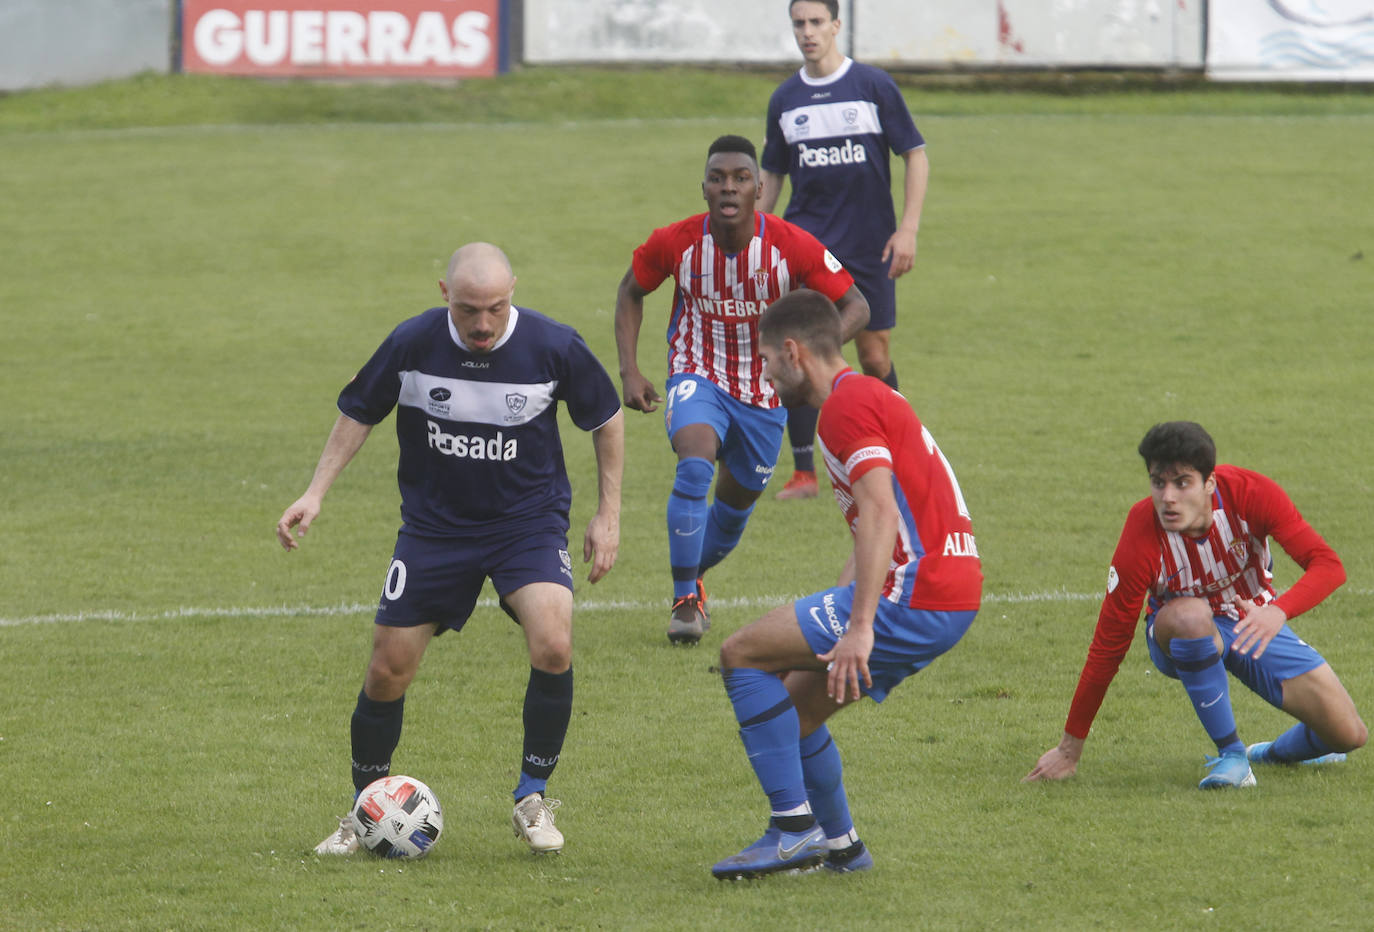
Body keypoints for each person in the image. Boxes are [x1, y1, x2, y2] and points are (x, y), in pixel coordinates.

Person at [276, 242, 624, 855]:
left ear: (514, 288)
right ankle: (365, 814)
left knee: (554, 641)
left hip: (528, 525)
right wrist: (315, 491)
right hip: (435, 530)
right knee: (388, 669)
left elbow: (605, 418)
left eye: (495, 307)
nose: (483, 323)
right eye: (468, 310)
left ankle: (532, 798)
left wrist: (608, 515)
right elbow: (359, 411)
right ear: (445, 295)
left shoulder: (553, 346)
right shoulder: (412, 344)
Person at [710, 289, 981, 879]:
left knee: (740, 656)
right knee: (795, 708)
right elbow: (877, 524)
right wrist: (841, 606)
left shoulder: (843, 407)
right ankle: (844, 849)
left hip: (915, 593)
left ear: (792, 351)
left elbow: (881, 512)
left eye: (765, 359)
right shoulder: (868, 394)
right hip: (947, 590)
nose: (764, 372)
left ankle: (792, 829)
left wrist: (859, 626)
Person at [614, 134, 870, 646]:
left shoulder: (791, 245)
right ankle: (686, 601)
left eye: (740, 178)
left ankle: (692, 578)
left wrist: (811, 353)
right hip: (697, 371)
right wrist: (630, 371)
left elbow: (857, 306)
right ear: (704, 189)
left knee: (732, 514)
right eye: (717, 178)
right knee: (694, 460)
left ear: (758, 189)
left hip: (764, 389)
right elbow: (631, 290)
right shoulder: (676, 241)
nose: (728, 187)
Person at [1025, 421, 1366, 790]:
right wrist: (1069, 749)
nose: (1168, 497)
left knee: (1348, 734)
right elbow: (1108, 646)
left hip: (1251, 621)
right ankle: (1232, 756)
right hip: (1177, 632)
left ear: (1210, 483)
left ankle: (1268, 754)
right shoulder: (1141, 531)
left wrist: (1277, 611)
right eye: (1158, 482)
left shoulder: (1251, 494)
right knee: (1191, 616)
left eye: (1182, 483)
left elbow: (1328, 565)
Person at [759, 0, 929, 501]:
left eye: (816, 23)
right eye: (799, 24)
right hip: (809, 247)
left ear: (836, 26)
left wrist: (909, 229)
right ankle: (805, 473)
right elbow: (772, 176)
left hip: (870, 245)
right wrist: (755, 239)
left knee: (875, 357)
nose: (807, 33)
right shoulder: (786, 99)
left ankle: (903, 451)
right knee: (800, 352)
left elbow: (914, 155)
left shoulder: (873, 87)